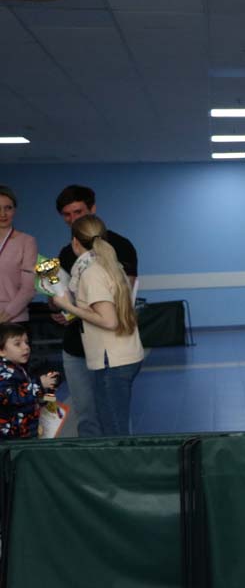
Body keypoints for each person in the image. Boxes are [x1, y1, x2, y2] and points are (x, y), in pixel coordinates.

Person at [53, 185, 138, 437]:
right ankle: (98, 460)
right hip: (83, 346)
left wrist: (70, 307)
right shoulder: (70, 255)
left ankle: (116, 461)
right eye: (66, 214)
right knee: (91, 417)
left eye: (78, 212)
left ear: (93, 209)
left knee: (114, 424)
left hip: (110, 351)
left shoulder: (111, 254)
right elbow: (64, 295)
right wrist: (58, 305)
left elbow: (114, 314)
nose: (72, 219)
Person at [0, 323, 59, 440]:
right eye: (18, 344)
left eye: (26, 342)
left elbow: (29, 395)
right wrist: (39, 384)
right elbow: (10, 396)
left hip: (26, 429)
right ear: (1, 351)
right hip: (10, 436)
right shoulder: (3, 372)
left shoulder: (18, 368)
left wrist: (47, 392)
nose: (26, 347)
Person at [0, 186, 39, 325]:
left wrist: (4, 317)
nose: (3, 214)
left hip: (14, 321)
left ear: (14, 210)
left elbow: (29, 288)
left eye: (8, 208)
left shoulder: (27, 241)